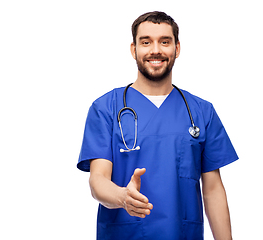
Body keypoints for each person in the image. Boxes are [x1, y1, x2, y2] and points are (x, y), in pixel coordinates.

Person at [77, 11, 238, 240]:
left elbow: (212, 190)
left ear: (177, 49)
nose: (156, 50)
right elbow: (98, 180)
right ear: (134, 50)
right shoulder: (106, 109)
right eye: (146, 42)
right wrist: (123, 197)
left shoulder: (201, 112)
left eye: (165, 42)